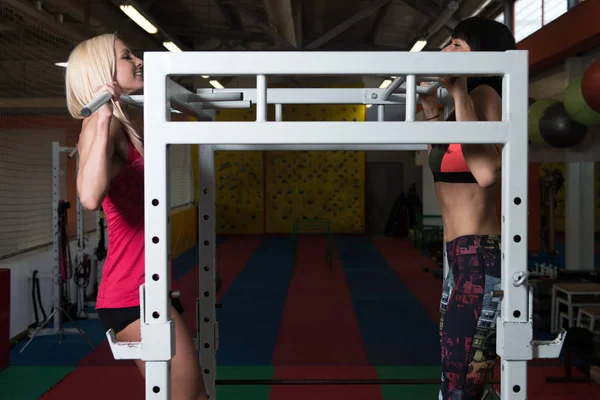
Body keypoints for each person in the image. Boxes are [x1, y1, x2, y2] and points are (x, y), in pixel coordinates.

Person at [65, 33, 208, 400]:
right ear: (104, 70)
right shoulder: (104, 125)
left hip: (150, 288)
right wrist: (101, 117)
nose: (138, 60)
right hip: (131, 294)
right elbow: (89, 196)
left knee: (193, 397)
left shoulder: (123, 127)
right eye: (127, 56)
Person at [419, 17, 517, 400]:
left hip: (480, 256)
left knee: (463, 384)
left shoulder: (483, 98)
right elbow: (441, 169)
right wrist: (432, 112)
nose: (447, 50)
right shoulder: (459, 108)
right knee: (453, 374)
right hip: (456, 257)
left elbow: (488, 171)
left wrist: (459, 93)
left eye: (458, 44)